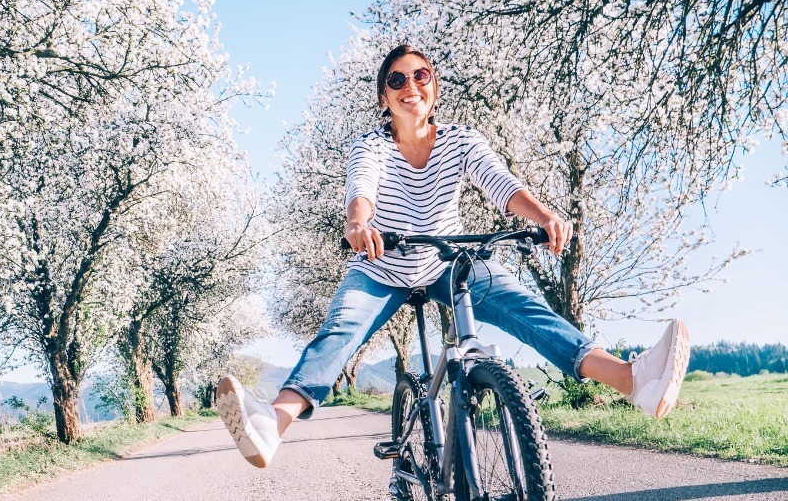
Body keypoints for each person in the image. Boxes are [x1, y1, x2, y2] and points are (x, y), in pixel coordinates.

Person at [216, 45, 690, 469]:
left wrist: (544, 216)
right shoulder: (373, 146)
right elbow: (361, 190)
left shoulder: (461, 141)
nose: (410, 86)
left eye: (420, 76)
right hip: (383, 266)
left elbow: (501, 183)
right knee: (339, 331)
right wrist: (358, 224)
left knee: (527, 310)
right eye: (397, 80)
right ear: (385, 97)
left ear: (434, 89)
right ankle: (271, 426)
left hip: (448, 261)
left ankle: (632, 381)